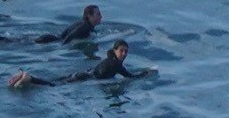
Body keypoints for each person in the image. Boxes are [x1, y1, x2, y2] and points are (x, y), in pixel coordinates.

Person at [8, 38, 140, 88]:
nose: (124, 54)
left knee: (52, 81)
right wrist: (147, 73)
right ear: (114, 51)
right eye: (122, 51)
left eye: (126, 52)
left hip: (82, 74)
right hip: (84, 77)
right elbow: (130, 76)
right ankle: (28, 78)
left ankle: (24, 77)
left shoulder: (111, 60)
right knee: (53, 85)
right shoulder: (116, 64)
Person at [0, 5, 104, 45]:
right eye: (97, 14)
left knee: (13, 40)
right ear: (89, 16)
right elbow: (68, 38)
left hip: (49, 38)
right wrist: (60, 49)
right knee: (9, 42)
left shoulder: (82, 23)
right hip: (49, 41)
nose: (100, 17)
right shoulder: (85, 27)